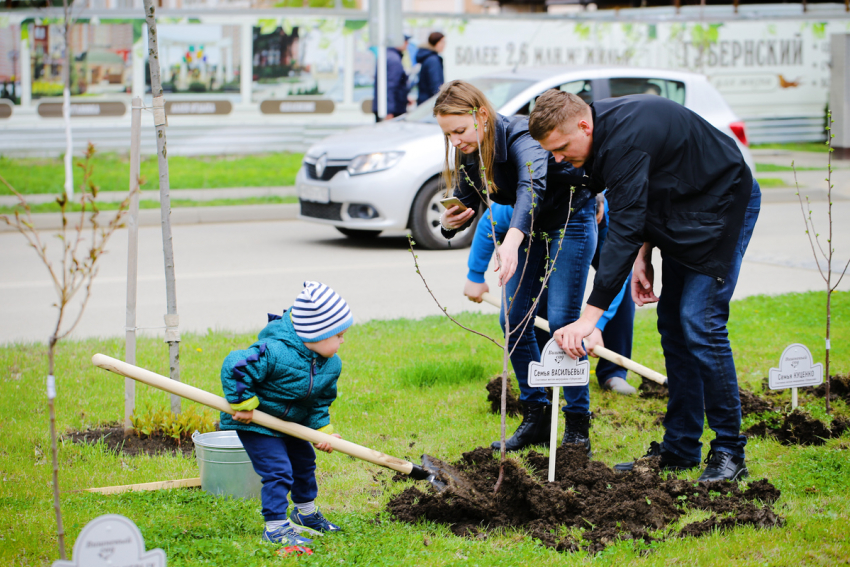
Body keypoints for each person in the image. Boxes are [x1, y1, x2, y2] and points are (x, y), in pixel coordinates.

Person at [528, 91, 761, 482]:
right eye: (551, 152)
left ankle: (729, 451)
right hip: (679, 211)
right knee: (673, 325)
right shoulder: (597, 134)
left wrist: (590, 317)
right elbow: (638, 195)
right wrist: (643, 255)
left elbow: (625, 224)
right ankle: (681, 448)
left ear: (584, 125)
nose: (559, 158)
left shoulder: (625, 139)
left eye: (562, 148)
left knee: (700, 322)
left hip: (722, 205)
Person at [435, 80, 598, 455]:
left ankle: (577, 425)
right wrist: (450, 222)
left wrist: (511, 239)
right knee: (513, 320)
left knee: (563, 324)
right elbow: (464, 196)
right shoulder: (472, 148)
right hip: (531, 229)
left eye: (460, 130)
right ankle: (537, 414)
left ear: (481, 115)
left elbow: (532, 186)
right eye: (448, 135)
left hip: (569, 221)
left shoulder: (521, 134)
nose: (456, 141)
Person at [220, 281, 351, 547]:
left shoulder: (331, 364)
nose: (342, 340)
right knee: (279, 471)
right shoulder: (275, 351)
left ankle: (305, 514)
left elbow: (319, 401)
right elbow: (235, 366)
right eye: (338, 335)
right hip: (258, 424)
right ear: (316, 334)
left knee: (304, 464)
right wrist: (244, 403)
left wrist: (320, 432)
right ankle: (276, 527)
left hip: (292, 424)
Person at [464, 198, 637, 396]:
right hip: (545, 238)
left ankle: (613, 373)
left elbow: (617, 273)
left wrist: (597, 324)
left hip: (595, 240)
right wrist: (475, 275)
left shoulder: (612, 212)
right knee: (543, 290)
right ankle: (543, 371)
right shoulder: (520, 205)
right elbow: (488, 223)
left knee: (624, 281)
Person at [372, 35, 411, 121]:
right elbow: (391, 86)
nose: (407, 44)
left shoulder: (387, 56)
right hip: (393, 110)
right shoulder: (394, 59)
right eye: (405, 42)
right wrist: (389, 111)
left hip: (388, 107)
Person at [415, 32, 445, 104]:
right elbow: (436, 85)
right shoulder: (433, 60)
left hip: (425, 101)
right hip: (429, 103)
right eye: (443, 42)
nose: (444, 45)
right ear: (437, 43)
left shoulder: (428, 58)